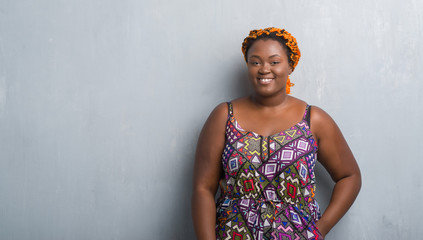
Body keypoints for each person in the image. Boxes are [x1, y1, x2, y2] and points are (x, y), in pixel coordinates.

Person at [191, 27, 361, 240]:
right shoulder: (224, 116)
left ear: (290, 66)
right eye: (255, 62)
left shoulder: (314, 120)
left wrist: (320, 229)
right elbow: (203, 188)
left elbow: (350, 176)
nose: (264, 69)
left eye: (274, 61)